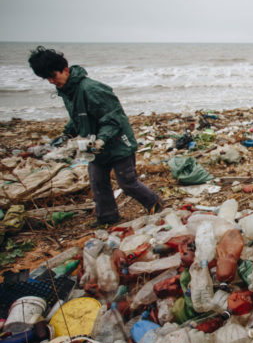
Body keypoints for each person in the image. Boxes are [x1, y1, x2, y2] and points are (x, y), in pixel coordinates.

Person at [28, 46, 162, 227]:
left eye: (54, 76)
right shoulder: (68, 92)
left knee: (127, 182)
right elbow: (79, 118)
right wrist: (66, 134)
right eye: (47, 78)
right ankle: (108, 217)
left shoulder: (92, 89)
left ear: (65, 69)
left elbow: (113, 119)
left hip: (117, 142)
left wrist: (101, 140)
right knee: (97, 181)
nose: (52, 81)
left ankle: (156, 204)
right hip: (94, 144)